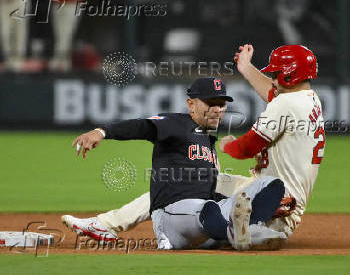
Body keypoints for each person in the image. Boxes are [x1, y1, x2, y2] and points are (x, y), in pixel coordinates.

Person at [63, 77, 287, 250]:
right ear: (191, 104)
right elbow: (142, 126)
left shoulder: (207, 138)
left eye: (221, 103)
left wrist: (254, 204)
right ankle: (238, 235)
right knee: (207, 208)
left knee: (271, 184)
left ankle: (249, 229)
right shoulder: (175, 123)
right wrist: (102, 131)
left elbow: (207, 190)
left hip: (197, 215)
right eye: (211, 103)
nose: (218, 109)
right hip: (174, 217)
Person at [220, 44, 325, 235]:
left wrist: (227, 145)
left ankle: (255, 234)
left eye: (276, 74)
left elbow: (245, 148)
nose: (273, 80)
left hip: (272, 208)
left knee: (206, 214)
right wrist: (246, 67)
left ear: (289, 74)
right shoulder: (309, 98)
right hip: (275, 200)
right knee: (205, 183)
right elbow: (274, 93)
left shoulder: (286, 103)